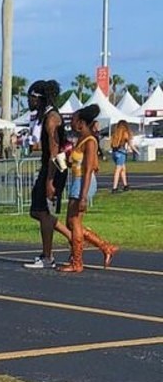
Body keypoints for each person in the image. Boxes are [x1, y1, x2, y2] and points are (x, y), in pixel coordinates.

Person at [58, 105, 117, 274]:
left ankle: (77, 262)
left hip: (83, 182)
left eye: (73, 120)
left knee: (74, 222)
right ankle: (105, 247)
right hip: (78, 180)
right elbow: (76, 163)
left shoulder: (90, 141)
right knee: (72, 223)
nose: (71, 123)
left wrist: (83, 196)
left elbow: (89, 169)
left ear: (81, 123)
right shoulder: (81, 140)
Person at [23, 79, 72, 269]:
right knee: (37, 211)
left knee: (44, 212)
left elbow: (54, 152)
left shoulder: (51, 118)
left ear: (37, 98)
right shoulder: (46, 116)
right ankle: (71, 236)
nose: (28, 101)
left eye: (30, 97)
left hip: (55, 168)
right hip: (50, 166)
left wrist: (50, 181)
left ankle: (47, 256)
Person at [109, 118, 132, 192]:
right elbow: (130, 143)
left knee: (122, 169)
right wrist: (135, 151)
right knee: (118, 170)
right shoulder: (125, 133)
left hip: (114, 152)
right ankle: (114, 188)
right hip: (121, 152)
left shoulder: (115, 133)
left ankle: (125, 185)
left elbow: (111, 144)